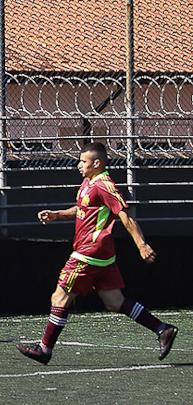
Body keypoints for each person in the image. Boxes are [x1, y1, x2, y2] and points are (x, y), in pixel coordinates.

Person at [17, 141, 176, 364]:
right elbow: (83, 209)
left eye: (83, 161)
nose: (79, 165)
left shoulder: (104, 185)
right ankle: (163, 329)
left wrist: (141, 244)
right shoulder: (88, 182)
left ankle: (45, 350)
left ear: (97, 163)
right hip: (102, 256)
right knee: (114, 301)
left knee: (59, 297)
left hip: (88, 252)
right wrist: (57, 214)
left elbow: (125, 216)